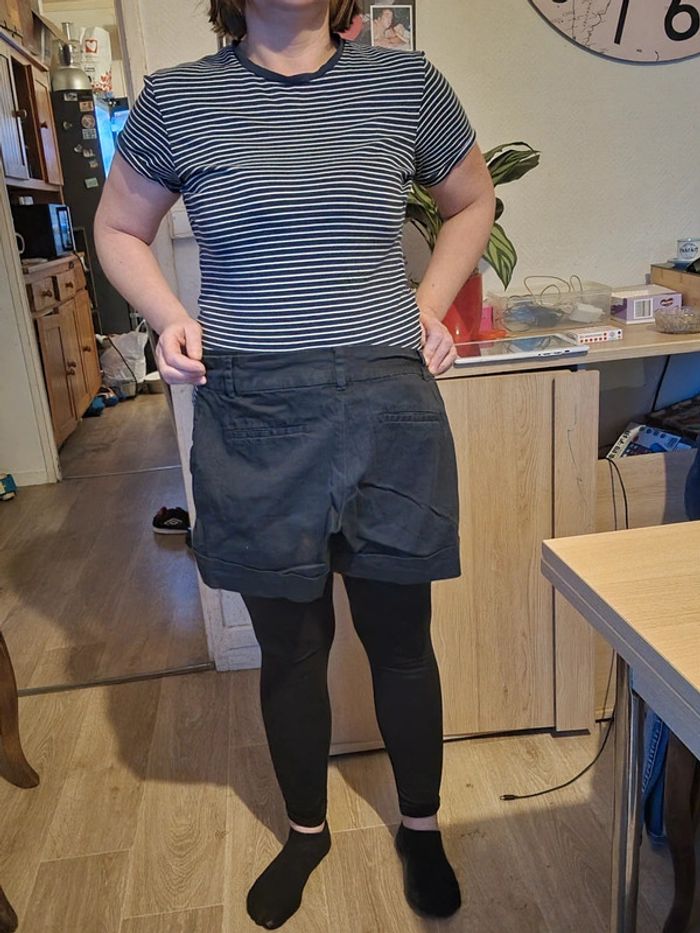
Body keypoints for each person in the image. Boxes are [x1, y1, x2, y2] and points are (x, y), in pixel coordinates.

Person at [95, 0, 495, 927]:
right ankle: (307, 831)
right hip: (254, 414)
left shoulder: (405, 83)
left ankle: (421, 825)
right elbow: (117, 228)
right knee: (292, 645)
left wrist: (430, 302)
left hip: (386, 404)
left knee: (401, 638)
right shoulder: (179, 99)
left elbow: (473, 200)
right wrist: (169, 315)